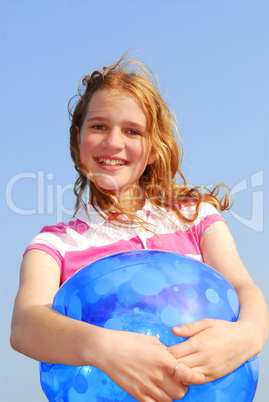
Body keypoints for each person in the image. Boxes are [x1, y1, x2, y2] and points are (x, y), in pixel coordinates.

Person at [10, 56, 269, 402]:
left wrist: (248, 334)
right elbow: (25, 324)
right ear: (78, 138)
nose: (113, 142)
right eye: (99, 126)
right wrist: (105, 348)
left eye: (132, 131)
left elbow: (243, 288)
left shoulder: (196, 218)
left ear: (151, 148)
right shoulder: (54, 245)